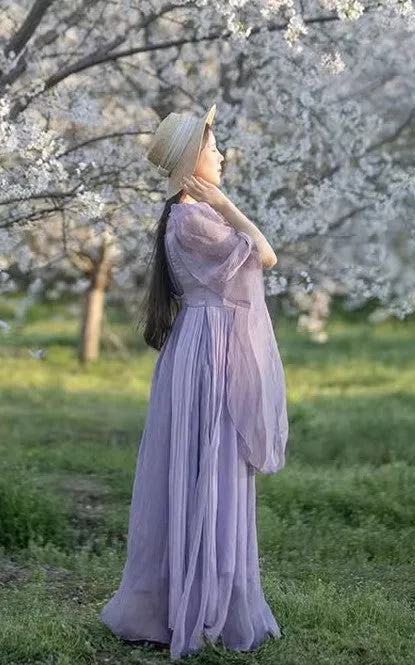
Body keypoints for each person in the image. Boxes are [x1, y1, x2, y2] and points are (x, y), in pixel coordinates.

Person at [99, 102, 289, 660]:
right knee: (211, 468)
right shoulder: (195, 218)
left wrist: (224, 205)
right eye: (213, 147)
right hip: (211, 350)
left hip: (203, 346)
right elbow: (267, 256)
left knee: (201, 469)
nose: (222, 154)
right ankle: (201, 603)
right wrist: (227, 205)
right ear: (191, 159)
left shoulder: (182, 217)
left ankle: (189, 596)